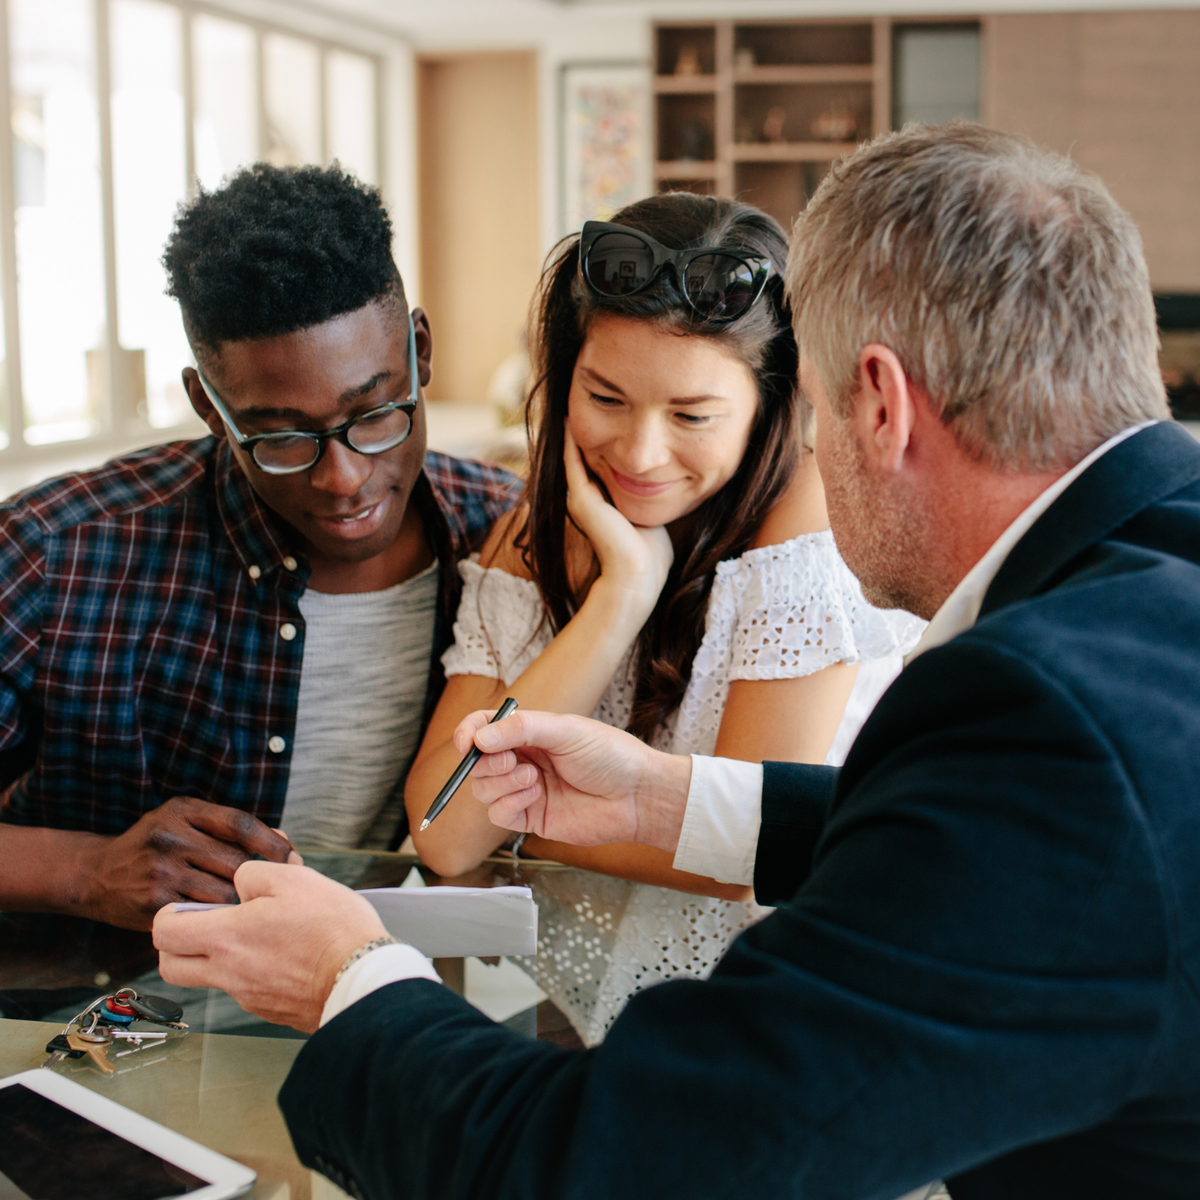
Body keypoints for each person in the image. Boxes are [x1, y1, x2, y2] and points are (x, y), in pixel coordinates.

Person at [153, 124, 1200, 1199]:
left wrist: (351, 980)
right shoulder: (1155, 592)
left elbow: (635, 1170)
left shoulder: (1051, 709)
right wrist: (667, 802)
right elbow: (985, 850)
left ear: (875, 405)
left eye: (813, 412)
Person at [404, 193, 923, 1042]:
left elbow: (740, 848)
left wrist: (524, 828)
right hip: (589, 1009)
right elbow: (445, 834)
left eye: (692, 416)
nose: (642, 455)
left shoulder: (808, 534)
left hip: (784, 1020)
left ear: (770, 406)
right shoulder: (528, 536)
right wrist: (619, 600)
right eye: (605, 398)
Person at [0, 163, 518, 931]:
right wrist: (84, 871)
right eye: (281, 437)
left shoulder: (507, 543)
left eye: (376, 413)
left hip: (377, 1014)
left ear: (419, 351)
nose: (345, 479)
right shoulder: (53, 552)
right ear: (209, 406)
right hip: (89, 1025)